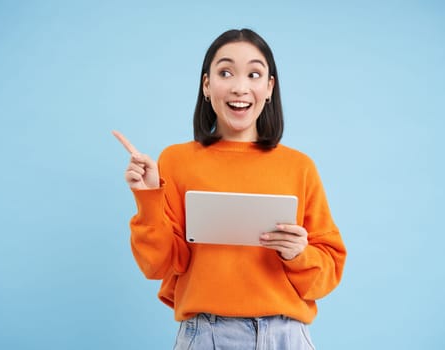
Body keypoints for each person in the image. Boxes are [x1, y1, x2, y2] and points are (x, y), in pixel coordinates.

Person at [113, 28, 346, 350]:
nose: (240, 87)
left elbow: (328, 272)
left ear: (269, 88)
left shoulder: (299, 166)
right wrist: (148, 197)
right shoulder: (177, 161)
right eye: (225, 72)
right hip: (206, 334)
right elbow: (159, 266)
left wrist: (299, 254)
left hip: (286, 336)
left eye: (254, 74)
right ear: (206, 85)